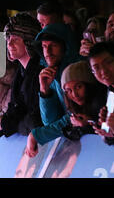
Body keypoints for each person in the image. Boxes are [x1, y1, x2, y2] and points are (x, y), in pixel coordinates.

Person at [26, 22, 82, 157]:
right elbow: (50, 121)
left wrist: (38, 135)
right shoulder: (52, 73)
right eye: (44, 46)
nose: (48, 52)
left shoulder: (78, 71)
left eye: (53, 46)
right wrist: (45, 91)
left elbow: (77, 115)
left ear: (65, 47)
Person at [0, 12, 43, 138]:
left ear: (29, 41)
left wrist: (5, 124)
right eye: (8, 39)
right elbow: (16, 107)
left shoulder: (39, 71)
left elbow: (35, 116)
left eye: (15, 39)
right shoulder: (20, 72)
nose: (9, 44)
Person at [60, 61, 107, 141]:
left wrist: (86, 126)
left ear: (89, 85)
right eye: (69, 91)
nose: (75, 95)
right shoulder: (75, 109)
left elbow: (109, 136)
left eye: (78, 87)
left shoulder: (102, 103)